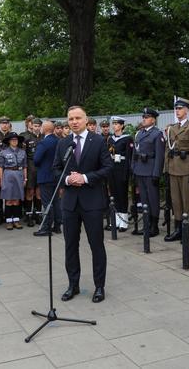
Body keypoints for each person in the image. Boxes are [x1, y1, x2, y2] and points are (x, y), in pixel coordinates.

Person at [53, 106, 112, 303]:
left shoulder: (98, 142)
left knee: (96, 245)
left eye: (78, 118)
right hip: (70, 203)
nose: (74, 121)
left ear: (86, 120)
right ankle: (73, 285)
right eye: (71, 119)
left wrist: (85, 178)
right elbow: (56, 169)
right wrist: (68, 181)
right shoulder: (63, 143)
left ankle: (99, 286)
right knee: (70, 245)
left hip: (92, 202)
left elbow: (107, 168)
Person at [164, 98, 189, 242]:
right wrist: (166, 170)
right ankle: (177, 229)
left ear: (186, 110)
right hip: (173, 170)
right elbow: (168, 150)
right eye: (176, 109)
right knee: (176, 201)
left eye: (180, 109)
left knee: (186, 201)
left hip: (186, 171)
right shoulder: (172, 129)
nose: (177, 111)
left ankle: (185, 230)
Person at [131, 108, 165, 237]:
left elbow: (160, 157)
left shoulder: (157, 134)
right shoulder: (139, 134)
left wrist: (156, 174)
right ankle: (146, 225)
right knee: (144, 199)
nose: (144, 119)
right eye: (143, 117)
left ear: (153, 120)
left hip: (150, 171)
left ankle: (154, 226)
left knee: (153, 199)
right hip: (140, 170)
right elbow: (135, 154)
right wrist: (133, 168)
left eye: (147, 117)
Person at [33, 120, 60, 236]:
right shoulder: (59, 141)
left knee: (47, 203)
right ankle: (57, 226)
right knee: (56, 201)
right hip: (56, 176)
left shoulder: (43, 143)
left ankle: (46, 228)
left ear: (44, 129)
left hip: (45, 176)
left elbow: (36, 159)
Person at [106, 116, 134, 232]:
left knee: (122, 195)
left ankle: (123, 222)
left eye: (117, 124)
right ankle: (116, 220)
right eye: (114, 124)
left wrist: (127, 172)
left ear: (122, 126)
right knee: (114, 195)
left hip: (122, 169)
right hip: (112, 169)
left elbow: (129, 157)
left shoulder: (127, 139)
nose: (114, 126)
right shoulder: (110, 139)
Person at [0, 132, 26, 230]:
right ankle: (9, 221)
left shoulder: (22, 152)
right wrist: (1, 179)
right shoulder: (3, 152)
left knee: (17, 199)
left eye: (16, 140)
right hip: (8, 174)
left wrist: (25, 178)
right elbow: (1, 167)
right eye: (12, 140)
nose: (14, 141)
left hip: (19, 175)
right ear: (9, 141)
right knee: (9, 199)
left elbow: (25, 166)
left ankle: (17, 220)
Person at [20, 116, 42, 227]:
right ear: (31, 126)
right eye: (35, 126)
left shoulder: (43, 138)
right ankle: (28, 214)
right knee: (30, 192)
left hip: (41, 168)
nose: (37, 128)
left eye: (38, 126)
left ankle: (37, 214)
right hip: (30, 167)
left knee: (39, 192)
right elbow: (23, 155)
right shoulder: (27, 138)